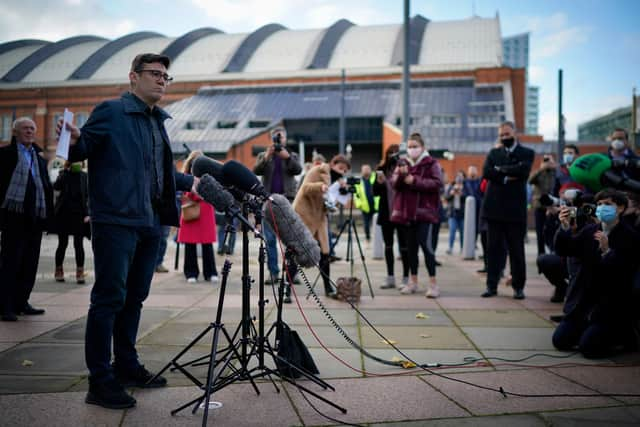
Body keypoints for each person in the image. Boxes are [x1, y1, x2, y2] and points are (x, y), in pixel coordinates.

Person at [57, 53, 197, 409]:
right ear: (133, 77)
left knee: (134, 299)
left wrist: (198, 181)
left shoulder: (156, 122)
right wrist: (72, 140)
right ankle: (99, 381)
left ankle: (127, 365)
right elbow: (79, 151)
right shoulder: (111, 111)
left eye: (167, 75)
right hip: (116, 220)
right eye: (155, 74)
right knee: (109, 299)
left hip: (150, 222)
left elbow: (162, 173)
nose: (162, 80)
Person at [553, 189, 638, 358]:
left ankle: (623, 335)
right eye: (599, 204)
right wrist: (564, 228)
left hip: (611, 304)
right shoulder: (590, 230)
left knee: (589, 349)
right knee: (560, 340)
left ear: (620, 208)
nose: (602, 208)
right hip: (586, 302)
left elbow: (623, 273)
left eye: (607, 204)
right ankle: (590, 330)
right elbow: (566, 249)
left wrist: (607, 252)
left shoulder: (630, 236)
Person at [0, 117, 53, 321]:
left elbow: (46, 188)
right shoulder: (5, 155)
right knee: (10, 262)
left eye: (32, 128)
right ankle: (5, 306)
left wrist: (48, 218)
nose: (30, 131)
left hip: (35, 217)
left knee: (30, 262)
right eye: (25, 128)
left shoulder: (39, 158)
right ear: (15, 132)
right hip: (13, 217)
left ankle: (22, 301)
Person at [480, 121, 534, 299]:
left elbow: (523, 171)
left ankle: (518, 287)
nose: (504, 137)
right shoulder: (493, 152)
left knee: (516, 250)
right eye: (502, 135)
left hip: (515, 210)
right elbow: (487, 172)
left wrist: (500, 170)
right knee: (493, 249)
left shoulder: (527, 153)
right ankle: (491, 286)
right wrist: (508, 174)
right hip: (494, 209)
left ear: (515, 133)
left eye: (507, 134)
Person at [391, 133, 443, 298]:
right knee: (410, 249)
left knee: (427, 248)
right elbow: (394, 185)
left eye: (415, 146)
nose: (412, 149)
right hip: (407, 213)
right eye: (410, 146)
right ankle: (413, 281)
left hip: (424, 213)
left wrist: (415, 181)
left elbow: (437, 183)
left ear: (422, 147)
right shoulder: (403, 163)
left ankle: (433, 284)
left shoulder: (431, 163)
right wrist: (401, 175)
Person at [253, 126, 302, 284]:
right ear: (271, 138)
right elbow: (257, 170)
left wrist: (287, 158)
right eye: (275, 136)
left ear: (285, 138)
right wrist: (267, 156)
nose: (278, 139)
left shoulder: (292, 155)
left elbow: (297, 170)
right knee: (270, 239)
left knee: (290, 239)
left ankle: (291, 273)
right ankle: (273, 273)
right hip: (268, 201)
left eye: (281, 136)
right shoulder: (264, 155)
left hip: (287, 201)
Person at [177, 151, 218, 284]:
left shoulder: (209, 177)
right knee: (190, 245)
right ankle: (190, 272)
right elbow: (187, 194)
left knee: (207, 245)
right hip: (191, 210)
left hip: (205, 212)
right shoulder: (186, 176)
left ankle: (210, 272)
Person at [373, 144, 409, 289]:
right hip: (386, 213)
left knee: (404, 247)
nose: (393, 155)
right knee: (388, 246)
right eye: (390, 153)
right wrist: (379, 183)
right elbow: (374, 192)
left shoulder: (404, 168)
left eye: (396, 153)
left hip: (401, 213)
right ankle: (390, 277)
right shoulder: (381, 170)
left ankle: (406, 278)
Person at [52, 161, 90, 284]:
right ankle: (58, 270)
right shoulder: (64, 174)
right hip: (64, 214)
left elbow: (88, 196)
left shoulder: (84, 176)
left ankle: (80, 272)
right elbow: (56, 187)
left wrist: (88, 214)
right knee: (62, 244)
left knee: (78, 245)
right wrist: (64, 171)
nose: (76, 163)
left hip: (79, 215)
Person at [529, 154, 557, 255]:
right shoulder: (539, 172)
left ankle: (553, 251)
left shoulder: (556, 172)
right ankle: (541, 253)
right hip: (539, 205)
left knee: (552, 230)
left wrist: (554, 166)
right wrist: (541, 169)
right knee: (540, 231)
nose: (547, 162)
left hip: (553, 206)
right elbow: (530, 180)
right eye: (545, 160)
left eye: (549, 160)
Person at [353, 164, 379, 243]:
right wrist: (359, 204)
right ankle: (368, 239)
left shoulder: (375, 177)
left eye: (368, 169)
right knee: (366, 225)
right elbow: (356, 194)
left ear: (371, 170)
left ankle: (378, 240)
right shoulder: (359, 181)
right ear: (361, 171)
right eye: (364, 169)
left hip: (376, 206)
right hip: (365, 207)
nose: (366, 171)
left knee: (377, 224)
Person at [445, 170, 466, 255]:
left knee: (463, 232)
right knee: (452, 231)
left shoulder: (465, 186)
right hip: (452, 213)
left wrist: (462, 194)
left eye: (461, 176)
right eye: (458, 176)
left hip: (462, 213)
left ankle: (463, 248)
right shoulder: (451, 186)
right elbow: (446, 197)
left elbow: (469, 197)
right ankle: (450, 248)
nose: (459, 178)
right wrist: (452, 193)